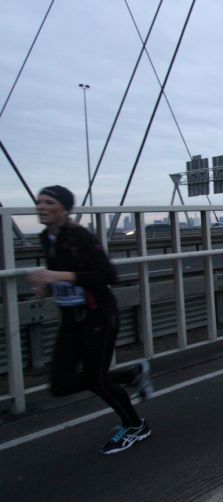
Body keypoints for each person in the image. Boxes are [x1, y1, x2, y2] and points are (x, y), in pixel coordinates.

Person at [26, 186, 154, 455]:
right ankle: (130, 375)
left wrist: (57, 276)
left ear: (63, 208)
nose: (41, 206)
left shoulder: (80, 237)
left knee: (96, 379)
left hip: (98, 316)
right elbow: (66, 276)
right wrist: (46, 287)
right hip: (71, 318)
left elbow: (107, 275)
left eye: (48, 202)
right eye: (39, 201)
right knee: (60, 385)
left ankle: (135, 426)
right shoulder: (47, 238)